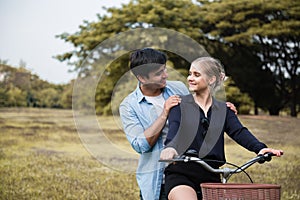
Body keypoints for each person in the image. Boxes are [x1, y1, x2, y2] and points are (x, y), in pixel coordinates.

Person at [119, 49, 237, 200]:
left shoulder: (178, 88)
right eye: (158, 73)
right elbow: (140, 145)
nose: (165, 75)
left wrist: (221, 108)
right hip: (157, 182)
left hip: (190, 173)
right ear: (142, 78)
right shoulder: (129, 106)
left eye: (164, 69)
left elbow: (201, 110)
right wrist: (164, 114)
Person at [160, 57, 284, 200]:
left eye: (196, 74)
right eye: (190, 73)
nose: (190, 78)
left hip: (211, 174)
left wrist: (260, 148)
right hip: (181, 174)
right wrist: (170, 148)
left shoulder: (224, 110)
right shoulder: (179, 105)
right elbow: (174, 130)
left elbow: (239, 131)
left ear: (211, 79)